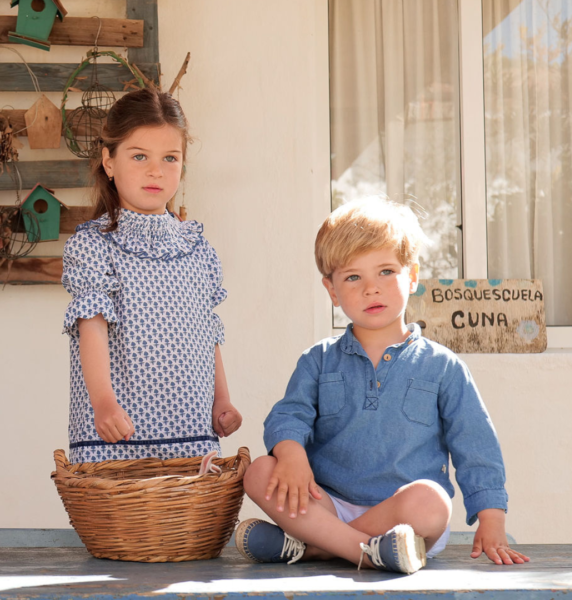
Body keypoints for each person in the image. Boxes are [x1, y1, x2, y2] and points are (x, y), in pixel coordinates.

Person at [236, 197, 529, 574]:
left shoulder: (442, 366)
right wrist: (291, 455)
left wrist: (491, 517)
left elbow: (476, 444)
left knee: (431, 502)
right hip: (328, 505)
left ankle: (320, 548)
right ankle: (363, 550)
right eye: (353, 277)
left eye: (386, 271)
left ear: (412, 275)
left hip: (406, 521)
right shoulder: (318, 360)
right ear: (331, 290)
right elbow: (289, 415)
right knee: (261, 470)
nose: (371, 289)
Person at [62, 88, 242, 464]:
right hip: (118, 428)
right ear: (108, 161)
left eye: (170, 158)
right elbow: (90, 327)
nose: (156, 170)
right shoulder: (94, 245)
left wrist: (221, 399)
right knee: (125, 523)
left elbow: (206, 330)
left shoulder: (197, 249)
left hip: (190, 428)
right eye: (139, 155)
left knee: (187, 524)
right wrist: (104, 403)